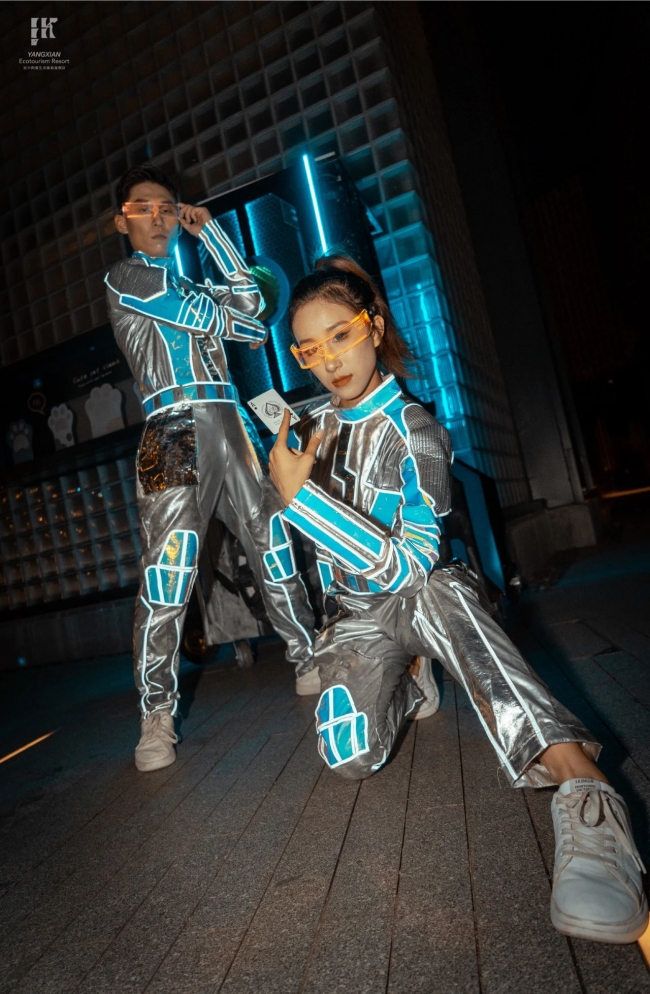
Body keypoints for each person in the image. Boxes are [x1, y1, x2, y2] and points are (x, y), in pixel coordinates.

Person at [269, 255, 647, 945]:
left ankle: (588, 799)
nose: (328, 361)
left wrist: (304, 500)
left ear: (373, 326)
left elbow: (413, 562)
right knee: (348, 756)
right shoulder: (306, 426)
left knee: (445, 592)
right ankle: (413, 679)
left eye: (340, 336)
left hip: (419, 595)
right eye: (309, 349)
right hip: (355, 618)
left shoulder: (418, 431)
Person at [105, 164, 317, 773]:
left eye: (167, 208)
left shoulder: (186, 279)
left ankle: (307, 655)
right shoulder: (126, 276)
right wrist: (242, 321)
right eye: (143, 208)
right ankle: (156, 713)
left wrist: (215, 234)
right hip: (170, 426)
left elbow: (253, 303)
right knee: (169, 573)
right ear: (122, 221)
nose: (157, 218)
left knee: (271, 541)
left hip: (230, 419)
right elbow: (231, 319)